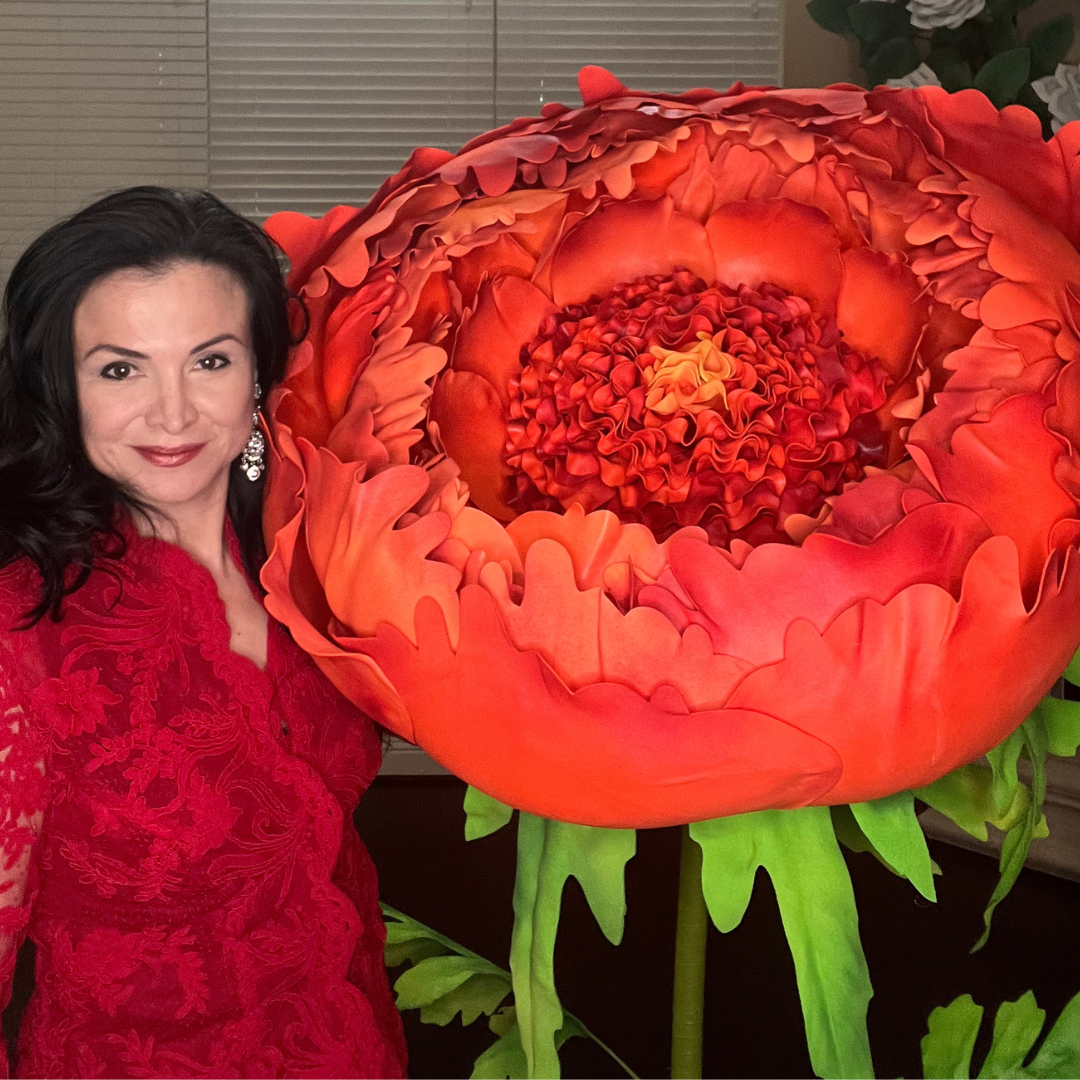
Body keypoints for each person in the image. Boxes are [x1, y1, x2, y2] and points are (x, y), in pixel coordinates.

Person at [0, 188, 407, 1078]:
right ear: (57, 392)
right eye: (120, 369)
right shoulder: (20, 637)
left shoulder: (314, 569)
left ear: (258, 374)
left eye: (209, 361)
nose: (175, 413)